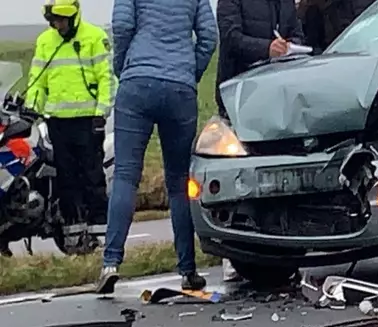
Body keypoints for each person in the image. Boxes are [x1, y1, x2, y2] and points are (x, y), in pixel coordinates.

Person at [95, 0, 218, 294]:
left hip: (137, 82)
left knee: (125, 176)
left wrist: (123, 66)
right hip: (180, 88)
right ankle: (188, 269)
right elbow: (209, 37)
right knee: (178, 182)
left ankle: (111, 262)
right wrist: (191, 72)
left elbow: (123, 26)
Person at [215, 0, 305, 282]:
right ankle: (233, 252)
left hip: (276, 92)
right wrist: (266, 48)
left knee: (279, 171)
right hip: (238, 91)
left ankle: (283, 249)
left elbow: (297, 31)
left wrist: (293, 46)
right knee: (238, 170)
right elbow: (230, 37)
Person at [27, 0, 114, 244]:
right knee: (66, 177)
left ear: (74, 17)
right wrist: (31, 109)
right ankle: (73, 229)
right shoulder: (45, 41)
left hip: (88, 121)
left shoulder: (95, 37)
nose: (58, 25)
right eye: (55, 21)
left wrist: (101, 112)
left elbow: (106, 78)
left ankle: (99, 227)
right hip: (57, 122)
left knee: (91, 174)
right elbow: (38, 79)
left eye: (62, 20)